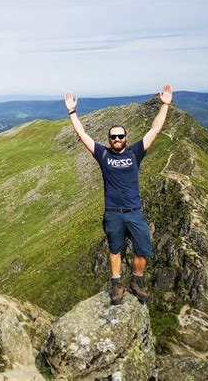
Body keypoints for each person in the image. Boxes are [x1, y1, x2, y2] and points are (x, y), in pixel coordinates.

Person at [64, 85, 173, 305]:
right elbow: (82, 134)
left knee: (142, 250)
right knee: (115, 250)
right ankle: (116, 285)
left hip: (135, 212)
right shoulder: (103, 155)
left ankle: (137, 282)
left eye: (120, 136)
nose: (116, 139)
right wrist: (72, 112)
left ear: (125, 137)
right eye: (113, 136)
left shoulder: (135, 153)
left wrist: (165, 106)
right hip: (113, 213)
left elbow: (154, 131)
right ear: (109, 138)